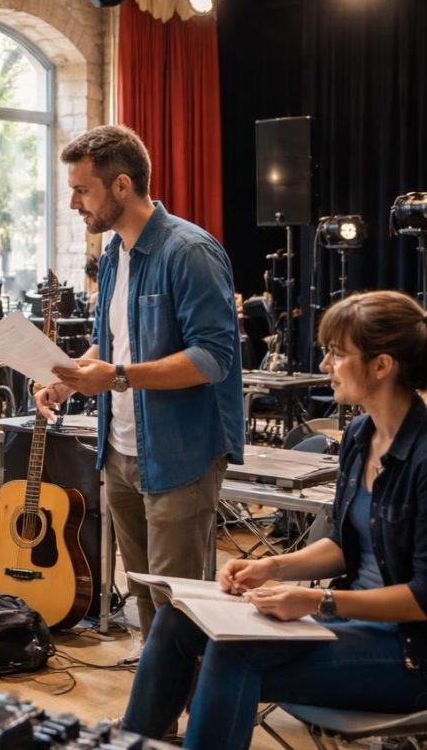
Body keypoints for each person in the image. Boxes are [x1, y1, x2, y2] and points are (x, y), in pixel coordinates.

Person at [122, 291, 427, 749]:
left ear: (382, 366)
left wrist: (318, 603)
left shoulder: (423, 457)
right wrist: (272, 567)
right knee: (175, 620)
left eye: (337, 354)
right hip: (348, 626)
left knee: (233, 656)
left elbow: (423, 599)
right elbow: (348, 546)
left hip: (407, 654)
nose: (325, 365)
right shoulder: (362, 435)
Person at [34, 125, 244, 639]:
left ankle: (192, 712)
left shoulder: (188, 251)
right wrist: (66, 380)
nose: (73, 203)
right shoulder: (113, 255)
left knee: (179, 605)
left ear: (122, 185)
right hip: (120, 450)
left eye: (82, 190)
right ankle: (159, 716)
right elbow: (111, 346)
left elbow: (214, 357)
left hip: (180, 453)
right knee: (145, 596)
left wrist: (119, 378)